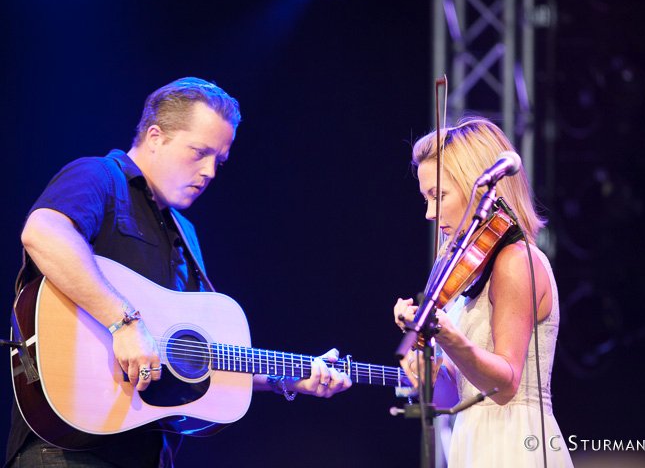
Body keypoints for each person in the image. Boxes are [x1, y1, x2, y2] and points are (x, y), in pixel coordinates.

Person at [5, 77, 351, 468]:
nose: (210, 172)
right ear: (155, 136)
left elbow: (191, 356)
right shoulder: (99, 177)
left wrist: (286, 378)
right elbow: (43, 232)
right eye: (199, 152)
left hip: (148, 451)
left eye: (218, 161)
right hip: (67, 451)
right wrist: (124, 323)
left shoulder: (185, 234)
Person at [394, 117, 573, 467]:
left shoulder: (517, 261)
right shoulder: (469, 276)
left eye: (438, 195)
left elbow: (505, 385)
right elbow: (454, 395)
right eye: (425, 198)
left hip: (513, 443)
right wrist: (423, 368)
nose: (430, 213)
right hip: (473, 441)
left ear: (478, 188)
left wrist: (443, 332)